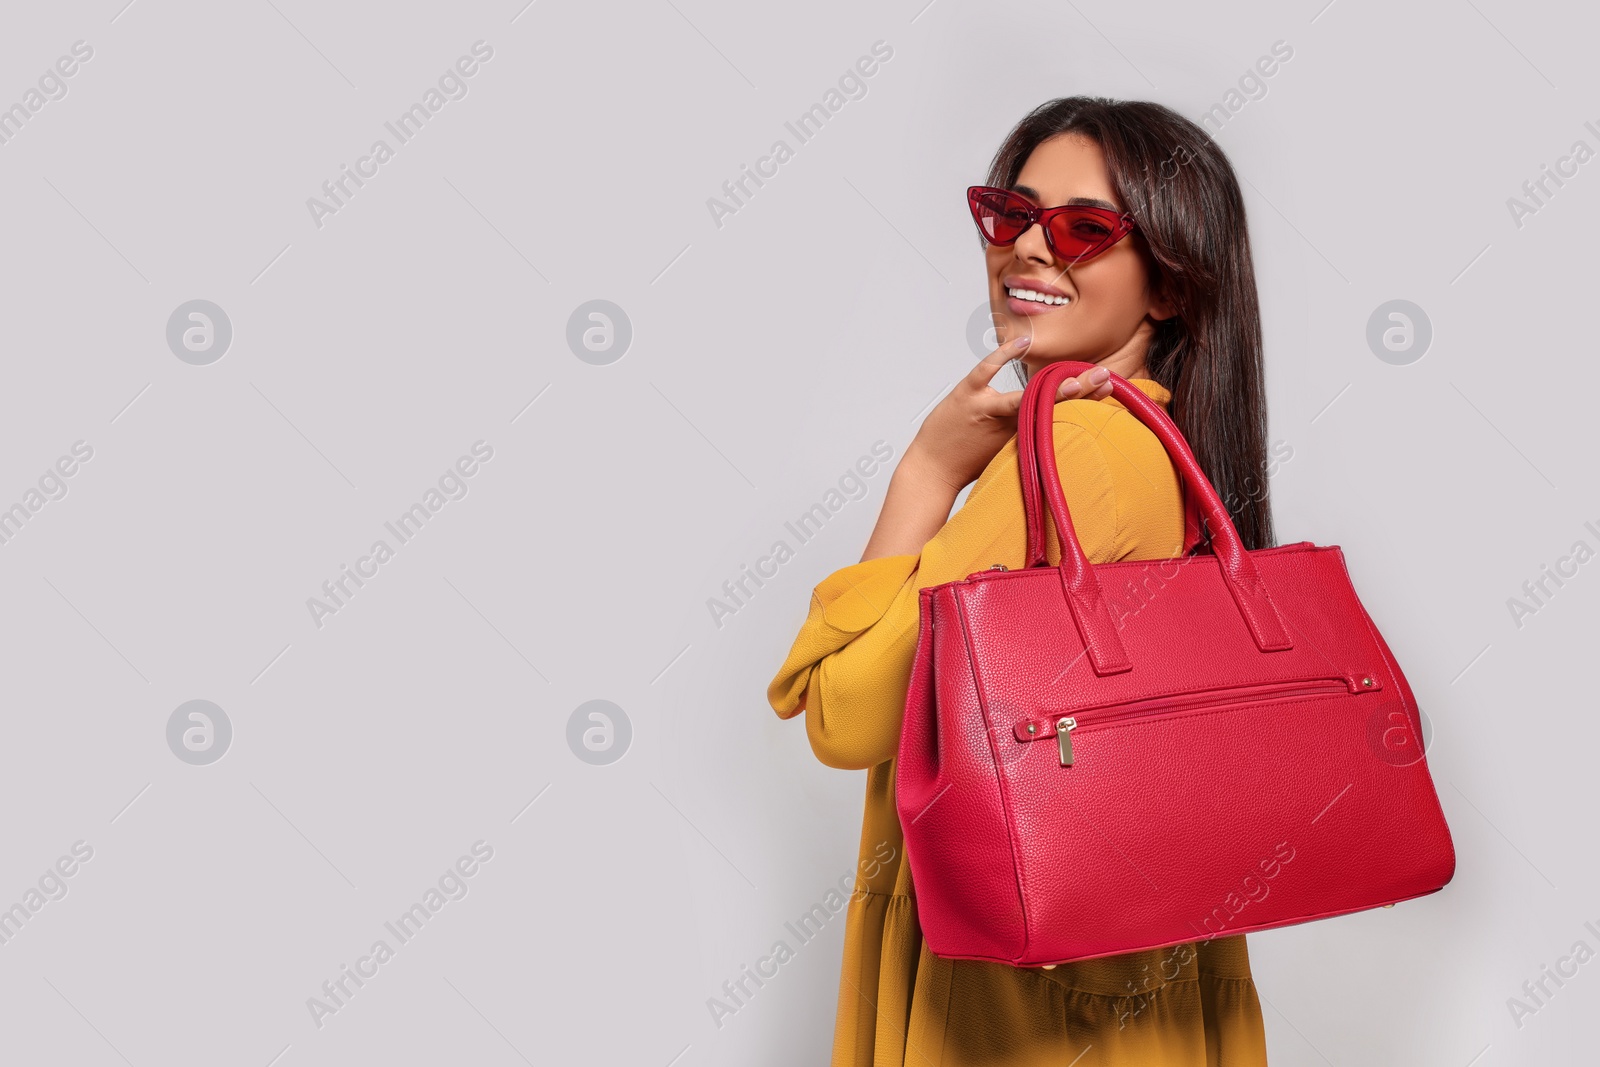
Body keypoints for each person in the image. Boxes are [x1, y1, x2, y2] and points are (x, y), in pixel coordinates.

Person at [766, 96, 1277, 1066]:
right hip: (1112, 991)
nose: (1029, 248)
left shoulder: (1079, 447)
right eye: (1010, 214)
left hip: (1025, 1015)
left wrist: (925, 468)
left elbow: (844, 714)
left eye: (1085, 227)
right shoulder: (1155, 452)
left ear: (1169, 283)